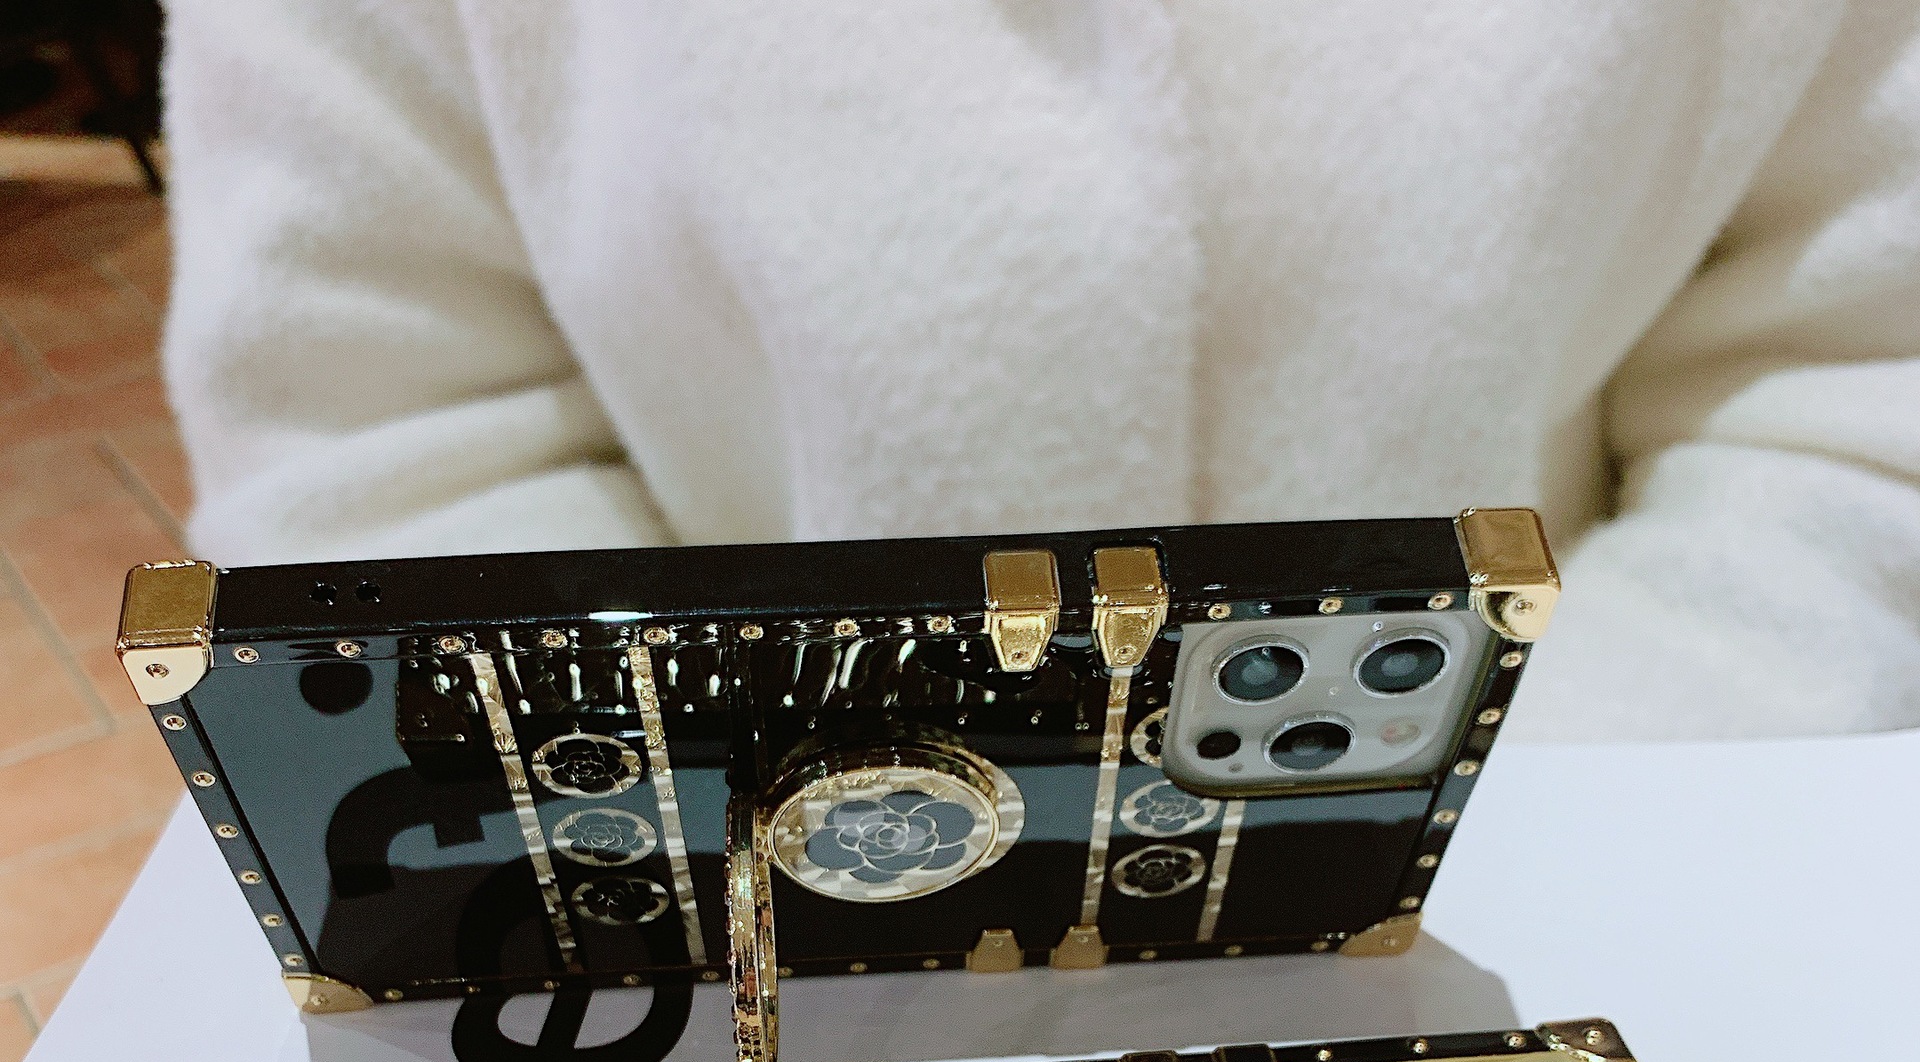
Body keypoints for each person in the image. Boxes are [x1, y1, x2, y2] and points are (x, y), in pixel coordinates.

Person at [161, 1, 1920, 738]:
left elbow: (1854, 387)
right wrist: (730, 888)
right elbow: (381, 439)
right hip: (731, 962)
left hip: (1577, 881)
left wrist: (1562, 833)